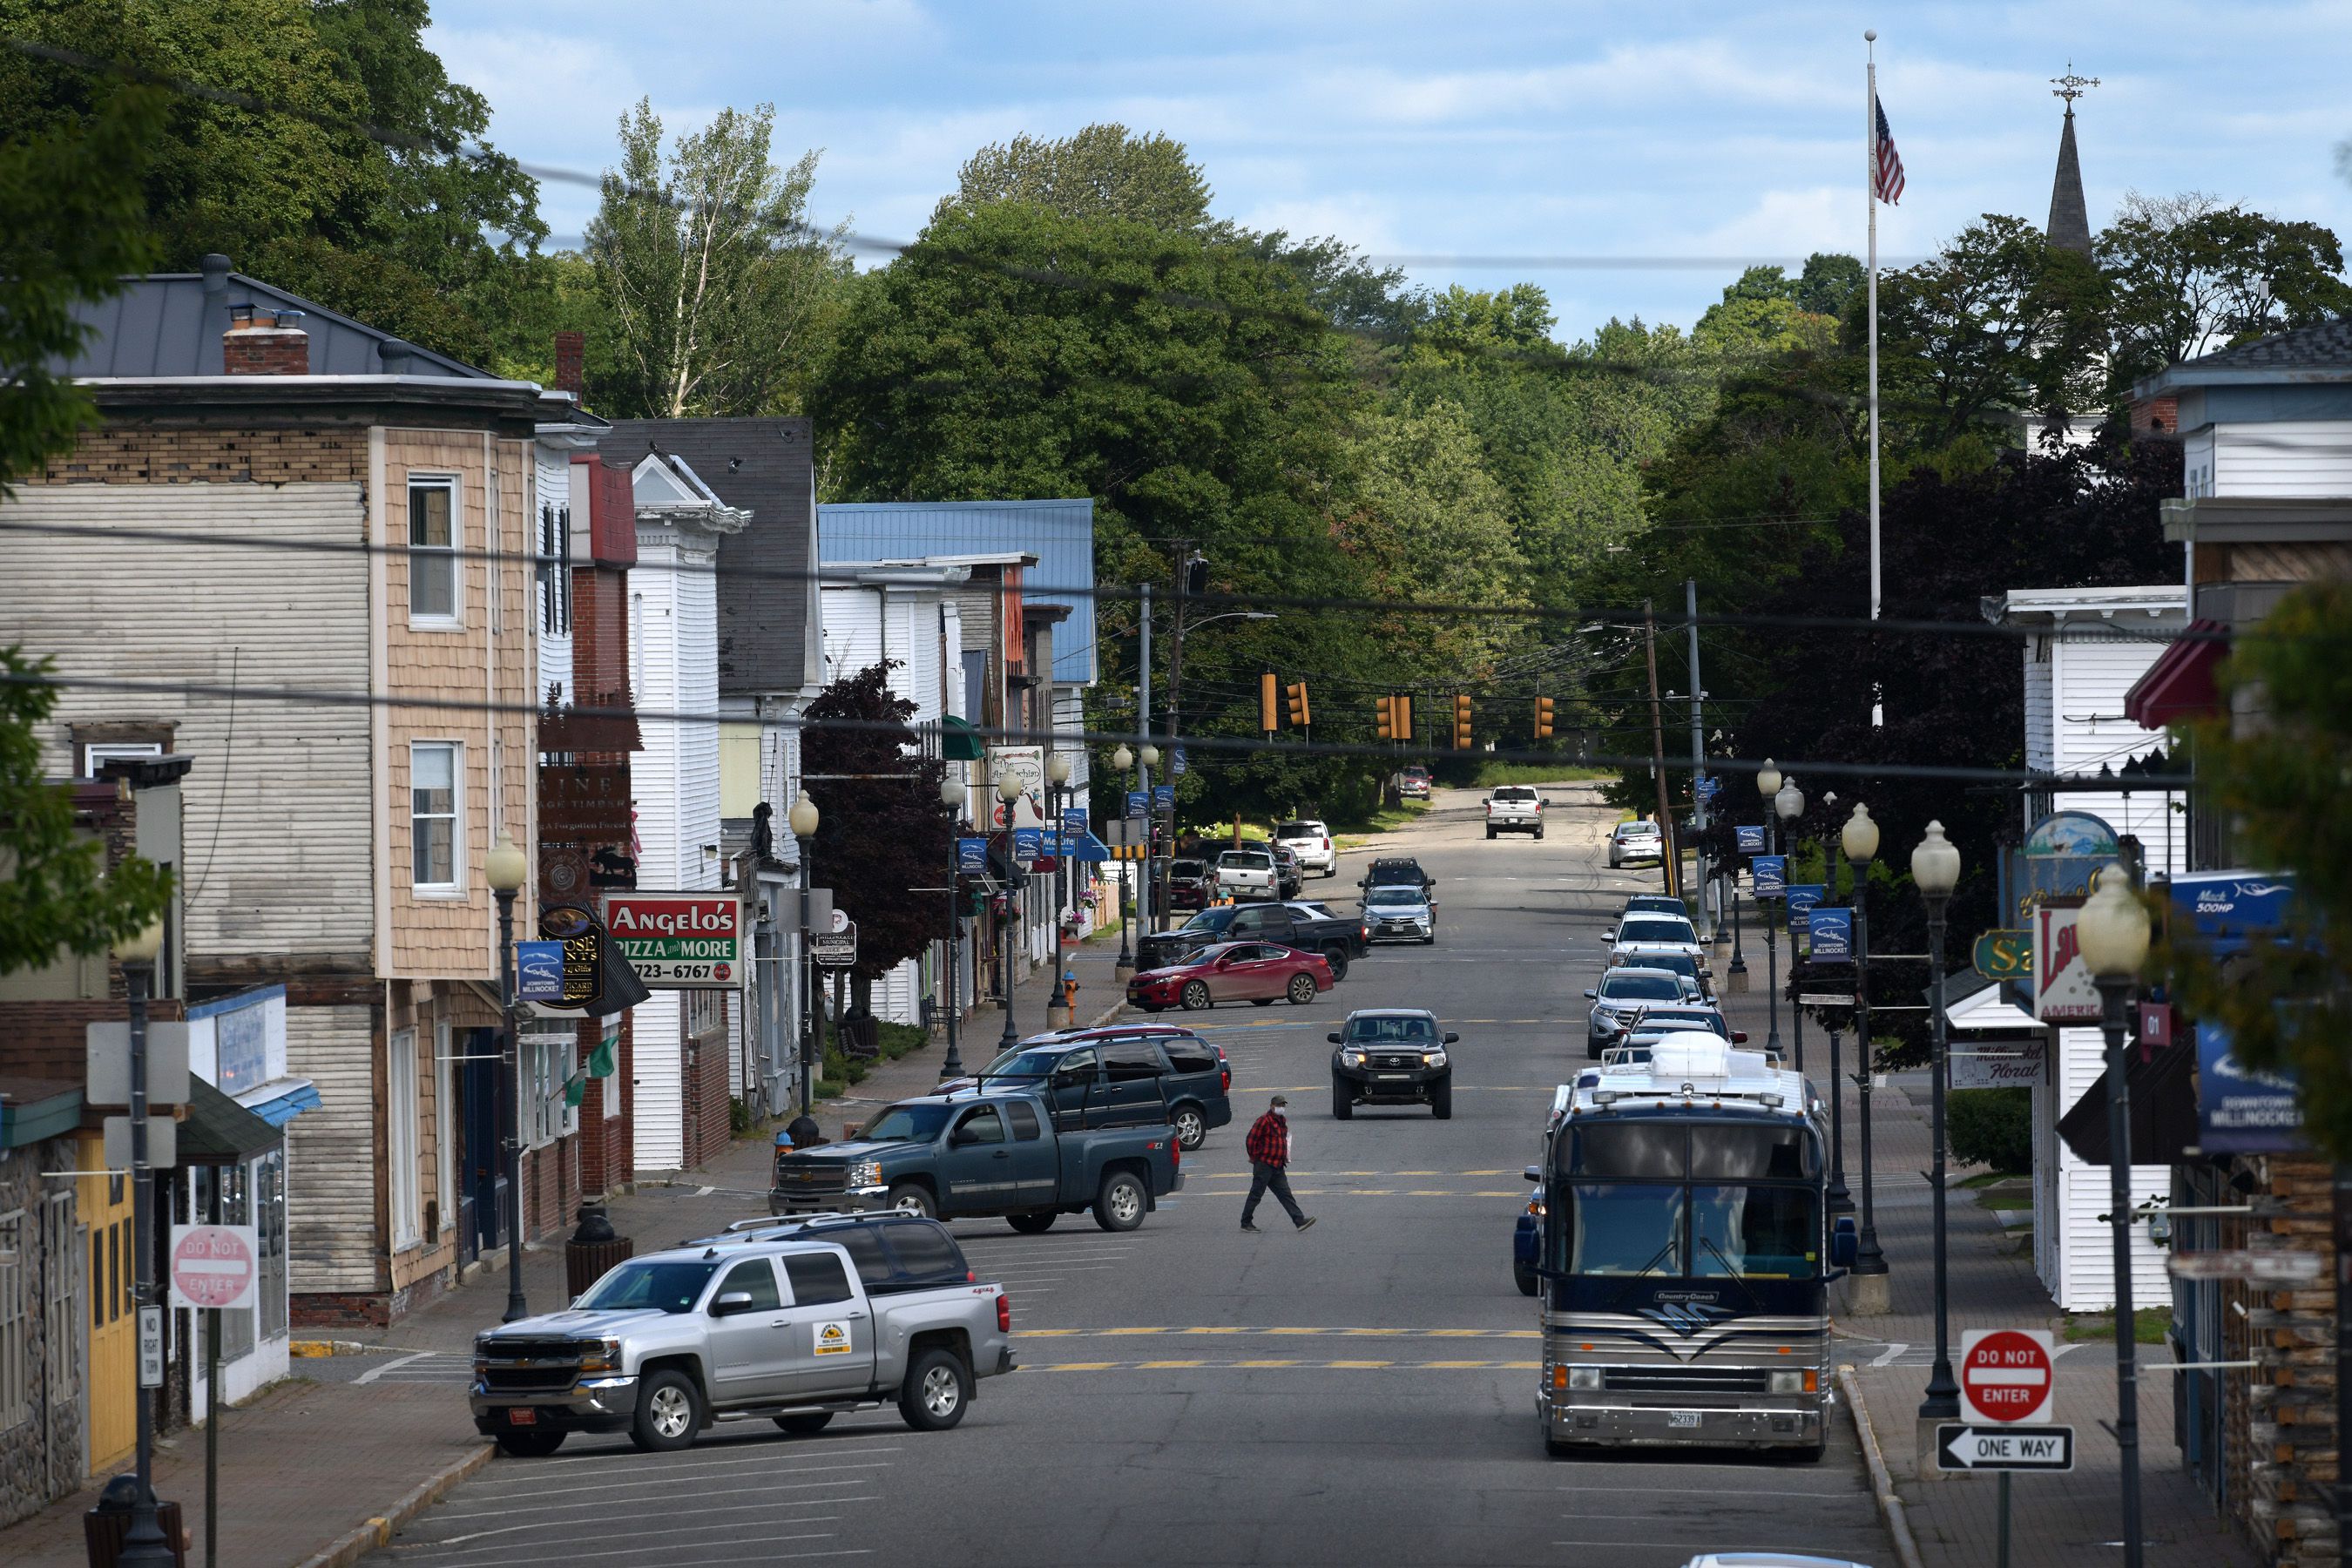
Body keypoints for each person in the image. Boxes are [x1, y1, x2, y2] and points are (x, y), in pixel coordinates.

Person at [1240, 1094, 1314, 1233]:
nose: (1281, 1108)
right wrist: (1254, 1156)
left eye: (1283, 1105)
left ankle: (1299, 1221)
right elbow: (1250, 1139)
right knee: (1256, 1194)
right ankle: (1246, 1222)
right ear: (1271, 1106)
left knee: (1285, 1194)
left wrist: (1284, 1155)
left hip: (1277, 1165)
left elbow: (1283, 1140)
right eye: (1279, 1105)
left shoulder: (1281, 1121)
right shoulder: (1264, 1121)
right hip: (1264, 1164)